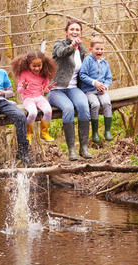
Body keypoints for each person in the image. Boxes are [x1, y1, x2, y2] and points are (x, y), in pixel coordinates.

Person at [48, 19, 92, 161]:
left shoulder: (82, 50)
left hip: (73, 89)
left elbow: (84, 72)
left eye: (77, 30)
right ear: (66, 32)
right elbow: (61, 53)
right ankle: (71, 149)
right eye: (71, 29)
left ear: (80, 33)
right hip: (56, 90)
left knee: (84, 106)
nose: (74, 32)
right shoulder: (58, 45)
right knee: (68, 108)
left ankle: (84, 147)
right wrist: (71, 47)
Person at [11, 50, 57, 144]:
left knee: (48, 110)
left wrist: (48, 88)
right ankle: (29, 133)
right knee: (32, 113)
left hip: (39, 97)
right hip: (28, 99)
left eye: (39, 65)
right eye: (34, 66)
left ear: (42, 64)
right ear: (28, 64)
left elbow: (44, 90)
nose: (37, 68)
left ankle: (44, 133)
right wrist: (23, 87)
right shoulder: (24, 74)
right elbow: (19, 90)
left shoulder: (44, 73)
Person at [79, 36, 113, 142]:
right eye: (97, 49)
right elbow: (82, 75)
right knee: (95, 104)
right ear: (91, 49)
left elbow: (108, 78)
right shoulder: (87, 60)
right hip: (89, 91)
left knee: (107, 103)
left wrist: (105, 87)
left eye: (102, 49)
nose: (99, 51)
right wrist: (94, 82)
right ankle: (95, 132)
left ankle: (107, 131)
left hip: (101, 91)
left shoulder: (104, 63)